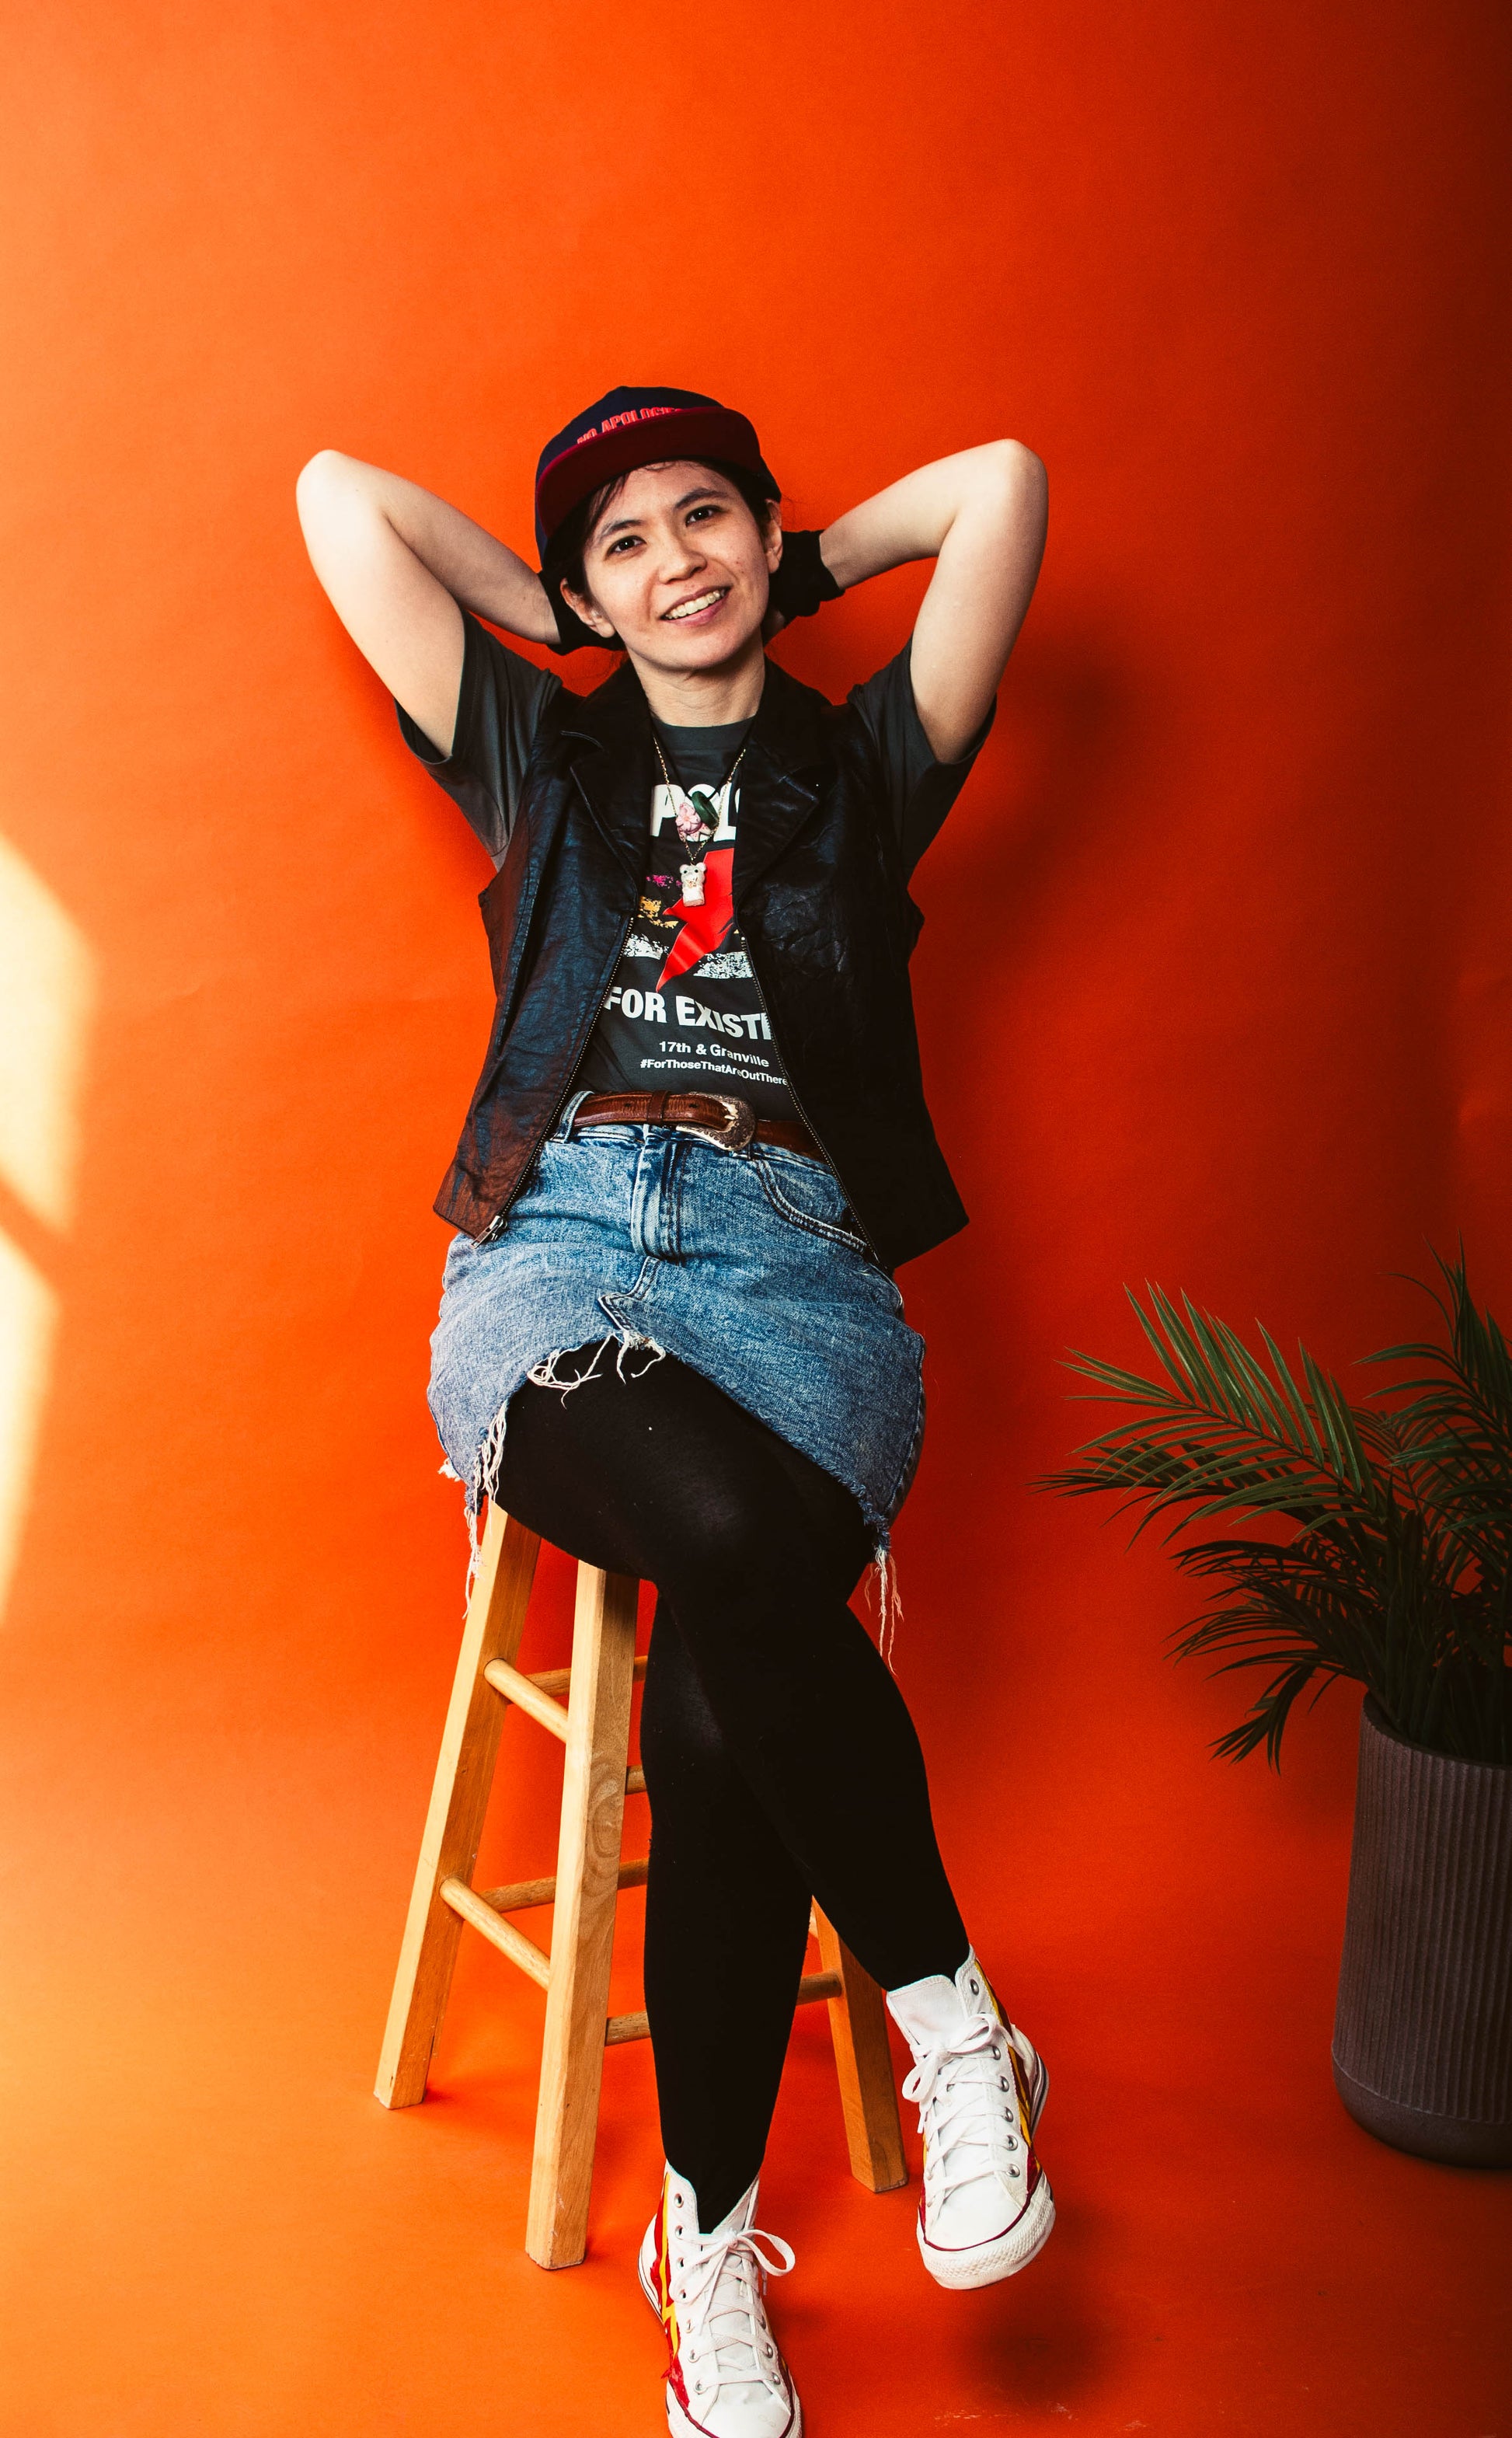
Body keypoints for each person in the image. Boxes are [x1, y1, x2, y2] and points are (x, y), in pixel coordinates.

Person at [297, 386, 1050, 2438]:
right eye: (620, 542)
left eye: (703, 516)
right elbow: (343, 501)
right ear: (582, 594)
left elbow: (998, 487)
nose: (672, 561)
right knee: (725, 1551)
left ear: (764, 531)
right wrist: (565, 615)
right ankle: (953, 2015)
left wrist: (792, 575)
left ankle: (703, 2251)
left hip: (801, 1271)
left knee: (723, 1711)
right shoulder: (537, 753)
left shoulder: (865, 764)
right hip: (556, 1249)